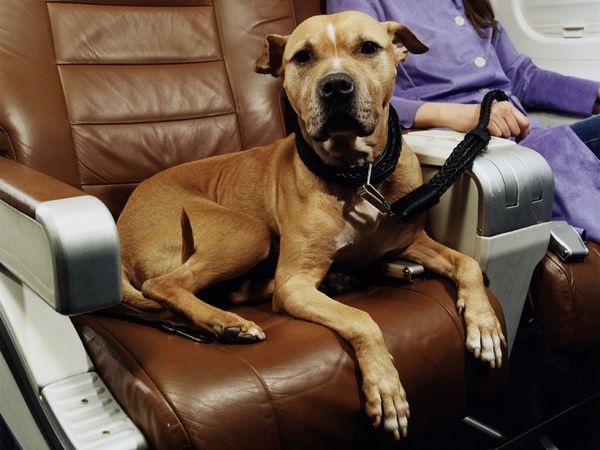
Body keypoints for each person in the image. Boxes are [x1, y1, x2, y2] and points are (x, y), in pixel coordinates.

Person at [327, 0, 600, 242]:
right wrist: (467, 116)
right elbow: (360, 98)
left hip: (521, 135)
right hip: (460, 147)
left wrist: (595, 92)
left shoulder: (471, 3)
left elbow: (521, 75)